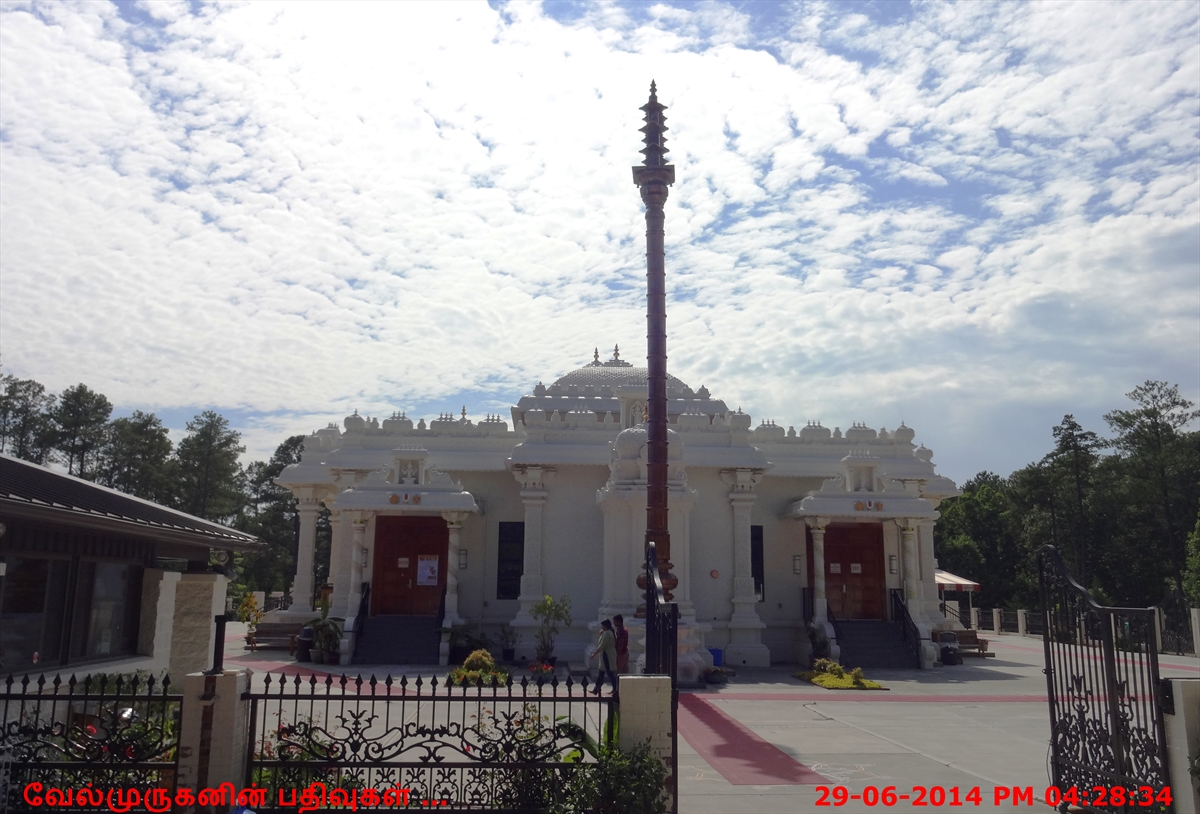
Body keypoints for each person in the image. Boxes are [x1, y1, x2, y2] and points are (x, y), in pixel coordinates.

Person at [590, 619, 619, 696]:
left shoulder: (607, 633)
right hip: (607, 654)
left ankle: (615, 689)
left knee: (609, 672)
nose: (601, 627)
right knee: (601, 673)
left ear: (605, 626)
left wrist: (594, 654)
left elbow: (602, 646)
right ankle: (596, 689)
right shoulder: (609, 632)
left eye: (602, 626)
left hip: (607, 655)